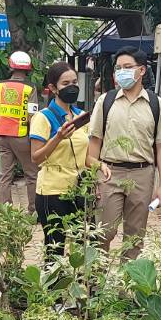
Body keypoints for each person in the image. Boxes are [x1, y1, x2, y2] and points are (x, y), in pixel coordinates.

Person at [85, 47, 161, 261]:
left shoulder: (157, 104)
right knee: (103, 232)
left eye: (127, 67)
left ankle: (127, 280)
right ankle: (97, 278)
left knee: (135, 237)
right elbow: (95, 141)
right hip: (109, 172)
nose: (121, 72)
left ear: (142, 70)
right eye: (118, 68)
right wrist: (93, 173)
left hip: (142, 174)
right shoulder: (105, 101)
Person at [29, 61, 94, 256]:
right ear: (53, 88)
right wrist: (58, 138)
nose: (72, 87)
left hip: (78, 190)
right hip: (52, 191)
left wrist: (102, 167)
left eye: (74, 82)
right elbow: (36, 158)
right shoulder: (43, 117)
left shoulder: (81, 117)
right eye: (65, 84)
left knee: (83, 246)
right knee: (55, 248)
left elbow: (86, 157)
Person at [0, 51, 39, 212]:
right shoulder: (30, 88)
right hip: (22, 136)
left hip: (3, 135)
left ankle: (6, 211)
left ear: (11, 66)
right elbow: (32, 114)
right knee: (31, 175)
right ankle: (33, 210)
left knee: (5, 176)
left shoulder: (0, 86)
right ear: (28, 68)